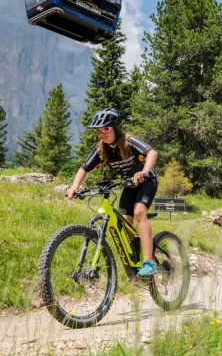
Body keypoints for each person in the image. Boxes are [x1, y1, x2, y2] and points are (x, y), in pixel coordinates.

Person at [66, 108, 159, 277]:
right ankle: (135, 265)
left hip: (147, 182)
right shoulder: (101, 149)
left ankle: (149, 262)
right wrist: (74, 187)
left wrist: (144, 171)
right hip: (129, 185)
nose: (101, 133)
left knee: (139, 212)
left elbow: (152, 152)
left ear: (114, 128)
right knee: (124, 226)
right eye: (98, 130)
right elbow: (83, 168)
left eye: (105, 129)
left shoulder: (129, 141)